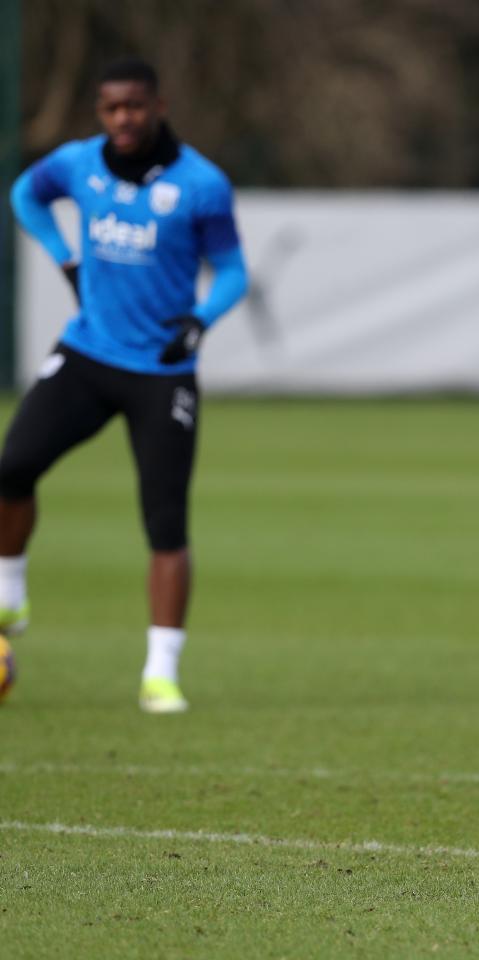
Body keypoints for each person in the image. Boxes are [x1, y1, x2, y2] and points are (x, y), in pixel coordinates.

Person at [3, 58, 248, 713]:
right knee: (12, 467)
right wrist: (65, 259)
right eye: (111, 108)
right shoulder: (77, 163)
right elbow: (25, 195)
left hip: (162, 374)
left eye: (134, 106)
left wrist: (200, 321)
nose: (123, 119)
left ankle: (160, 673)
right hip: (87, 355)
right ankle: (10, 593)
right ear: (100, 111)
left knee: (166, 524)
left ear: (158, 106)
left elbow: (232, 272)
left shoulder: (201, 184)